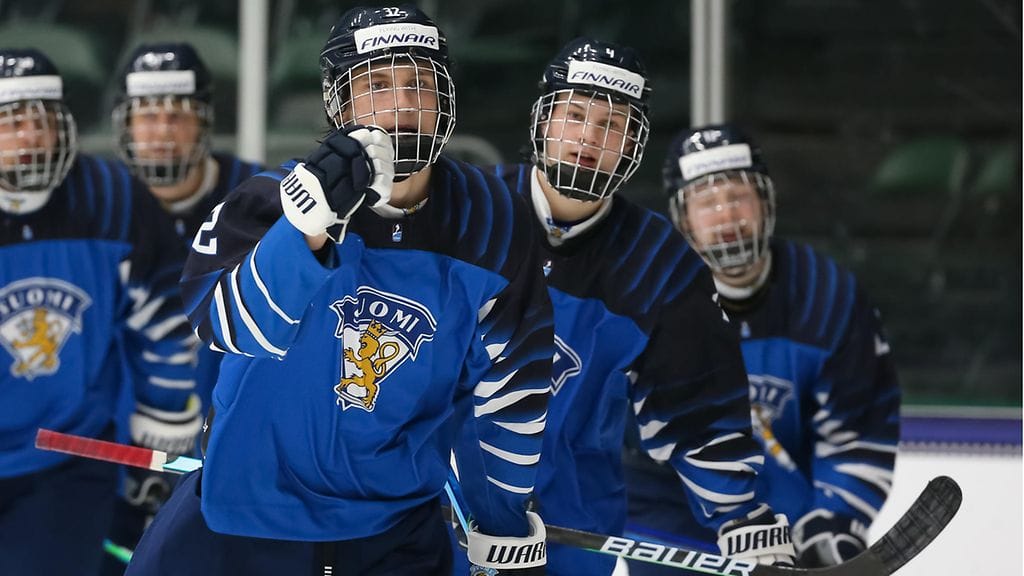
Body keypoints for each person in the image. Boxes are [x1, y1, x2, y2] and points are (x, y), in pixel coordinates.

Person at [125, 5, 554, 576]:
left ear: (444, 100)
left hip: (392, 534)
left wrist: (499, 520)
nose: (401, 104)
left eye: (418, 85)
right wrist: (305, 228)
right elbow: (223, 325)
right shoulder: (267, 199)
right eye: (376, 85)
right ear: (340, 103)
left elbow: (514, 384)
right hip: (242, 523)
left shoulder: (492, 221)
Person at [452, 39, 796, 576]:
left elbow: (697, 405)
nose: (590, 137)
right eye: (575, 115)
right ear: (543, 122)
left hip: (569, 532)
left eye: (612, 125)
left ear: (633, 144)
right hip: (437, 519)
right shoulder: (467, 212)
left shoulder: (660, 264)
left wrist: (738, 514)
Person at [626, 124, 900, 570]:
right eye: (707, 202)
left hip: (795, 516)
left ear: (766, 202)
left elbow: (859, 429)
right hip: (670, 515)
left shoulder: (827, 297)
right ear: (681, 218)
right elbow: (628, 443)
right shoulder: (646, 302)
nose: (726, 215)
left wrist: (832, 520)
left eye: (738, 196)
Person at [0, 48, 200, 575]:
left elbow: (162, 313)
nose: (27, 138)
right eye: (10, 124)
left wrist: (165, 409)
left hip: (67, 450)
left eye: (39, 122)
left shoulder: (112, 198)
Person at [100, 42, 263, 574]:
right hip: (114, 446)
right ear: (124, 124)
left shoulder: (260, 196)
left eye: (178, 114)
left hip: (236, 441)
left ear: (205, 122)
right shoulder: (99, 202)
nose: (162, 130)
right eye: (147, 115)